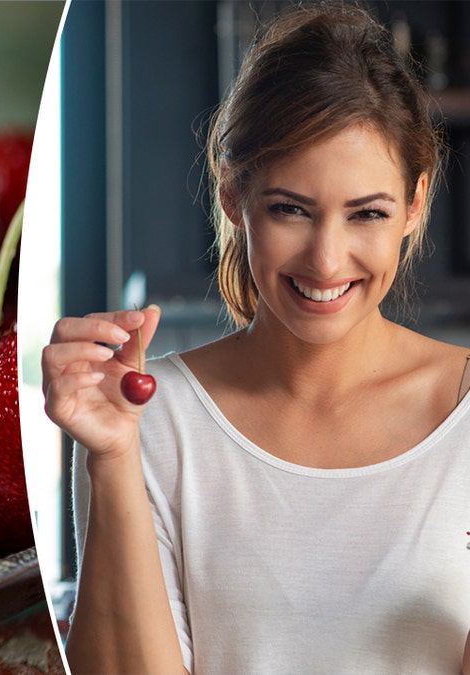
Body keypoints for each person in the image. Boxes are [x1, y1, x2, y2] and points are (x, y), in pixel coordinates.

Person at [41, 4, 470, 674]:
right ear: (234, 197)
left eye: (368, 214)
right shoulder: (142, 416)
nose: (327, 260)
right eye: (290, 209)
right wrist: (114, 458)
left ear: (415, 205)